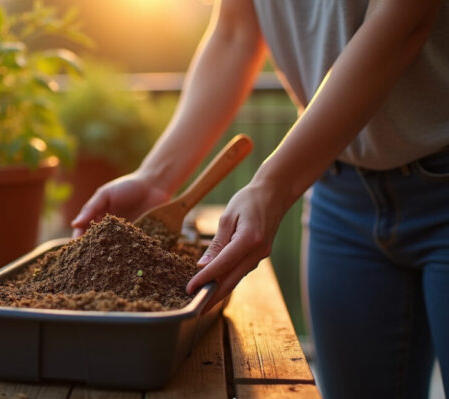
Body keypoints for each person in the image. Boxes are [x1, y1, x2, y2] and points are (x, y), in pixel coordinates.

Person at [70, 0, 449, 397]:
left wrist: (274, 185)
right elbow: (236, 34)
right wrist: (155, 179)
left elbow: (404, 21)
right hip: (340, 193)